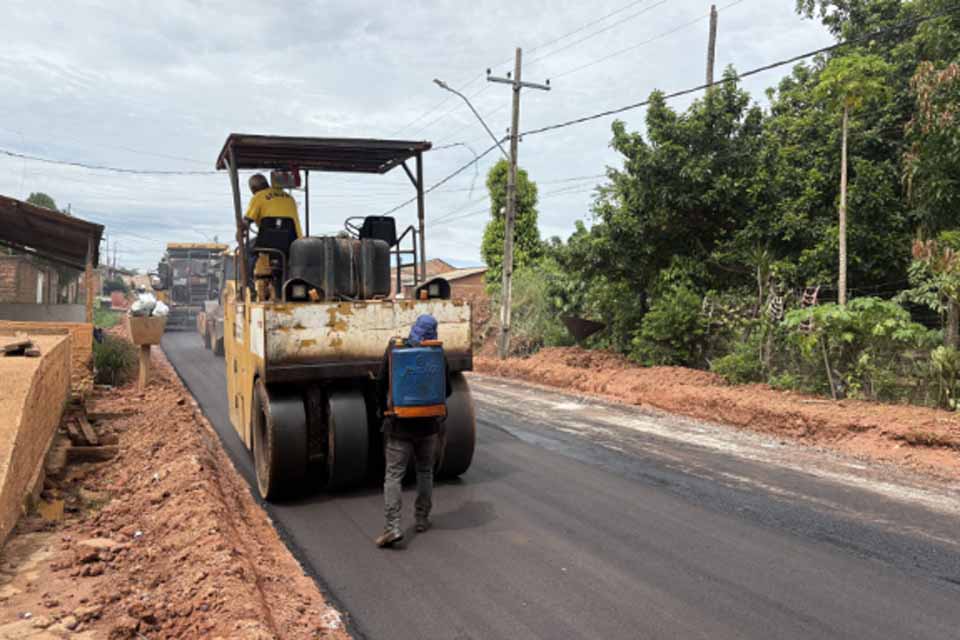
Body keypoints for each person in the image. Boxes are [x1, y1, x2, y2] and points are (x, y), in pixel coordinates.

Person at [375, 314, 444, 548]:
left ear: (414, 330)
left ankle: (392, 527)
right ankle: (422, 519)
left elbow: (381, 383)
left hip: (399, 426)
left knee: (394, 475)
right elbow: (448, 390)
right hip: (429, 427)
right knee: (425, 471)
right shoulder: (437, 354)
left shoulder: (395, 350)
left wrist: (381, 410)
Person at [243, 173, 303, 239]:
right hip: (294, 241)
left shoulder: (258, 196)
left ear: (253, 189)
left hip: (269, 241)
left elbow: (246, 221)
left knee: (251, 245)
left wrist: (240, 233)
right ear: (267, 184)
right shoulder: (290, 198)